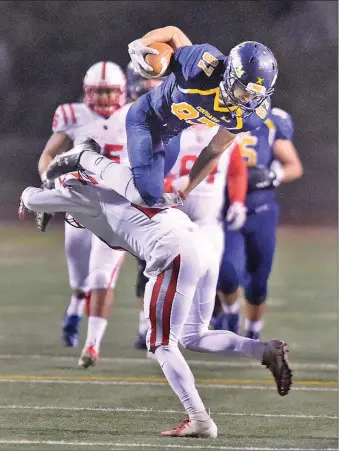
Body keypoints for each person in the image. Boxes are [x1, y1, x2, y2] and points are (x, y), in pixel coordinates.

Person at [19, 139, 292, 438]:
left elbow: (32, 198)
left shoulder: (82, 193)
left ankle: (199, 419)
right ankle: (263, 350)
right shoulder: (118, 178)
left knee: (161, 343)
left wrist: (41, 192)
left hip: (171, 251)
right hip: (198, 242)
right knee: (193, 335)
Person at [126, 26, 278, 206]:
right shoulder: (199, 66)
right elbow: (174, 33)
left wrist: (185, 191)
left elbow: (214, 152)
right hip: (146, 119)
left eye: (254, 95)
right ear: (228, 75)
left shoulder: (249, 115)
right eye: (242, 90)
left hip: (171, 136)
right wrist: (142, 43)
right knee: (146, 193)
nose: (247, 99)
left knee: (149, 199)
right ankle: (90, 163)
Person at [79, 62, 165, 367]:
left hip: (139, 204)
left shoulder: (145, 115)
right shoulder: (80, 119)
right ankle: (91, 344)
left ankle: (151, 331)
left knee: (154, 269)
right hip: (108, 207)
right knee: (98, 276)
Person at [37, 60, 127, 347]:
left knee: (101, 274)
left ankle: (92, 341)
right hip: (78, 203)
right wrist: (47, 180)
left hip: (115, 206)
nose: (103, 98)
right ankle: (76, 306)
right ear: (87, 92)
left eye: (109, 92)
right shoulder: (73, 116)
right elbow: (48, 154)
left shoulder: (132, 115)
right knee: (79, 276)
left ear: (121, 91)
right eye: (98, 92)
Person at [134, 124, 247, 350]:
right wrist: (168, 185)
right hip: (171, 216)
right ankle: (149, 325)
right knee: (159, 271)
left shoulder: (223, 133)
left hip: (207, 220)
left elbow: (236, 170)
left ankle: (203, 326)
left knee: (209, 272)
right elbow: (148, 176)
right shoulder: (171, 134)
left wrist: (237, 201)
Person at [213, 107, 304, 339]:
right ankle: (230, 313)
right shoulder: (215, 114)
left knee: (258, 280)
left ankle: (253, 331)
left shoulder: (272, 121)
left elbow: (294, 166)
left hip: (260, 209)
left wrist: (274, 176)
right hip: (224, 207)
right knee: (227, 273)